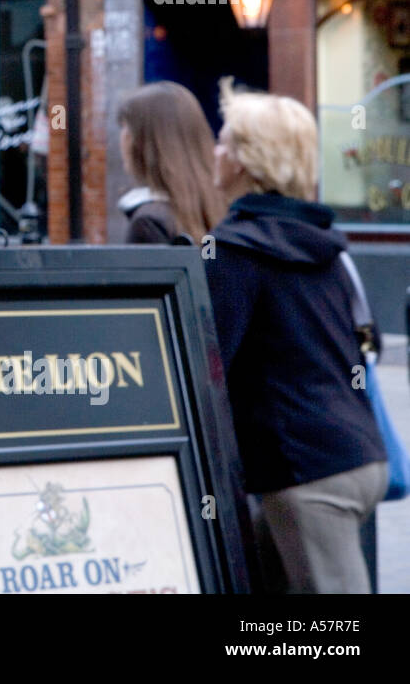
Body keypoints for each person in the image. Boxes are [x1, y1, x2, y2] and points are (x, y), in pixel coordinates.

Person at [203, 78, 387, 594]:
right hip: (357, 453)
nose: (214, 152)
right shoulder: (324, 244)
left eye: (224, 141)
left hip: (305, 470)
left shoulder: (233, 250)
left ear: (243, 159)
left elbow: (206, 359)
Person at [116, 81, 224, 243]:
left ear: (141, 142)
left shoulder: (148, 224)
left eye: (125, 127)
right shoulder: (224, 208)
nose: (122, 137)